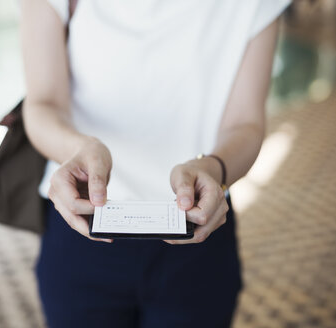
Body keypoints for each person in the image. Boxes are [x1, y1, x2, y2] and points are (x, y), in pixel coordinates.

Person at [21, 0, 291, 327]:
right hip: (82, 228)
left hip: (199, 231)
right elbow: (43, 104)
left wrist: (214, 168)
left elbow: (245, 124)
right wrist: (80, 147)